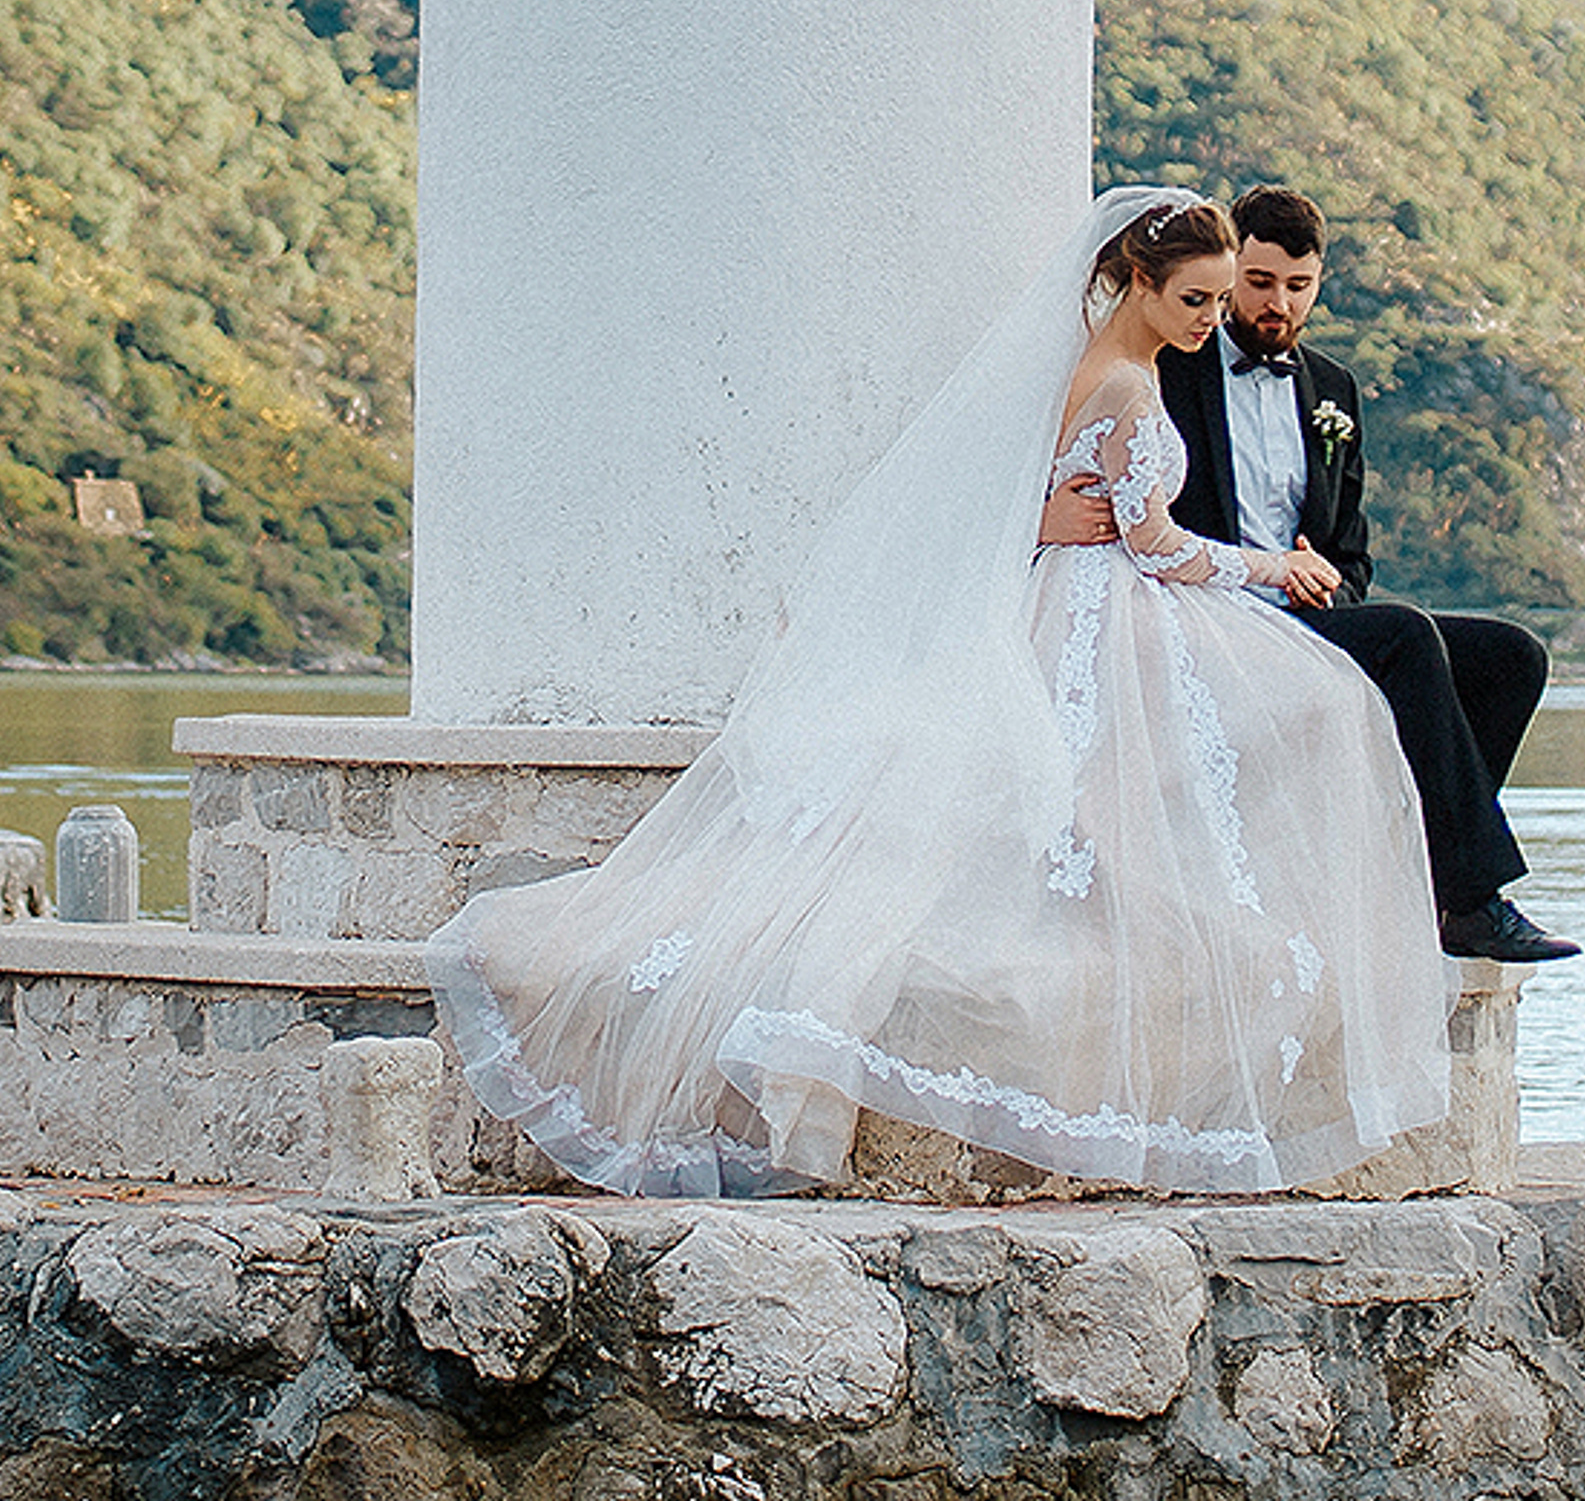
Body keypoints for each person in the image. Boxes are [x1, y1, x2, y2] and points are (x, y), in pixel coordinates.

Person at [425, 191, 1452, 1198]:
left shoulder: (1089, 366)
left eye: (1220, 301)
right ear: (1138, 282)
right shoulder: (1132, 388)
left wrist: (1046, 520)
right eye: (1196, 299)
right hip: (1107, 606)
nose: (1211, 320)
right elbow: (1156, 546)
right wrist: (1271, 571)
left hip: (1069, 596)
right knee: (1301, 710)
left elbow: (1022, 489)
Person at [1159, 183, 1574, 967]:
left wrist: (1325, 585)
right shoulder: (1173, 374)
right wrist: (1267, 576)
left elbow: (1352, 555)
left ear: (1319, 281)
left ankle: (1420, 872)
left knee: (1514, 655)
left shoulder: (1332, 390)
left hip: (1305, 611)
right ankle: (1472, 900)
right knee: (1406, 632)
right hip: (1213, 614)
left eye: (1297, 285)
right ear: (1231, 269)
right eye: (1259, 282)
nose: (1277, 302)